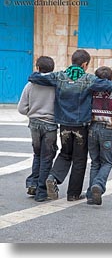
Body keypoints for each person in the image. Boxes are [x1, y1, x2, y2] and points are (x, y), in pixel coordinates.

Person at [28, 49, 112, 202]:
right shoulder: (89, 79)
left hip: (64, 125)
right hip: (81, 126)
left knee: (65, 154)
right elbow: (111, 86)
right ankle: (73, 194)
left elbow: (34, 77)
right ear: (84, 64)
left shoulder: (59, 76)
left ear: (72, 61)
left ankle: (53, 177)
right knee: (79, 160)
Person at [18, 56, 58, 202]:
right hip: (50, 125)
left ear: (38, 68)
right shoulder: (56, 85)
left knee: (37, 155)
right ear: (53, 69)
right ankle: (41, 192)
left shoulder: (30, 85)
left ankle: (33, 184)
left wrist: (33, 112)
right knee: (47, 157)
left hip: (34, 124)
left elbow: (21, 108)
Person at [86, 66, 112, 205]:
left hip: (92, 129)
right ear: (110, 78)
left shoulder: (91, 92)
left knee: (95, 162)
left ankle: (91, 196)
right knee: (107, 162)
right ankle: (98, 184)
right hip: (107, 131)